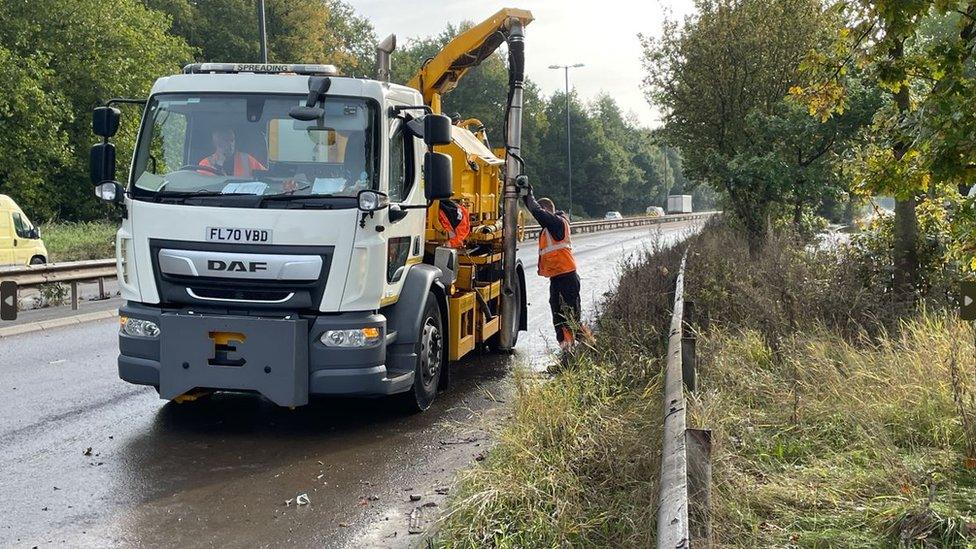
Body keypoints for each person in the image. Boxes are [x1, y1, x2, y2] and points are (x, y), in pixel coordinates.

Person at [522, 187, 583, 350]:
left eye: (543, 214)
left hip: (567, 276)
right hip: (558, 277)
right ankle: (568, 352)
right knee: (559, 314)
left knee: (569, 316)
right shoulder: (551, 227)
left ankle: (585, 348)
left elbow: (537, 212)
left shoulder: (557, 223)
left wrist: (527, 195)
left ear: (547, 211)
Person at [198, 128, 266, 177]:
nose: (230, 144)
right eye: (226, 140)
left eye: (232, 140)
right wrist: (218, 165)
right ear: (217, 143)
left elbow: (265, 175)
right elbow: (203, 187)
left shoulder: (246, 159)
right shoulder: (205, 164)